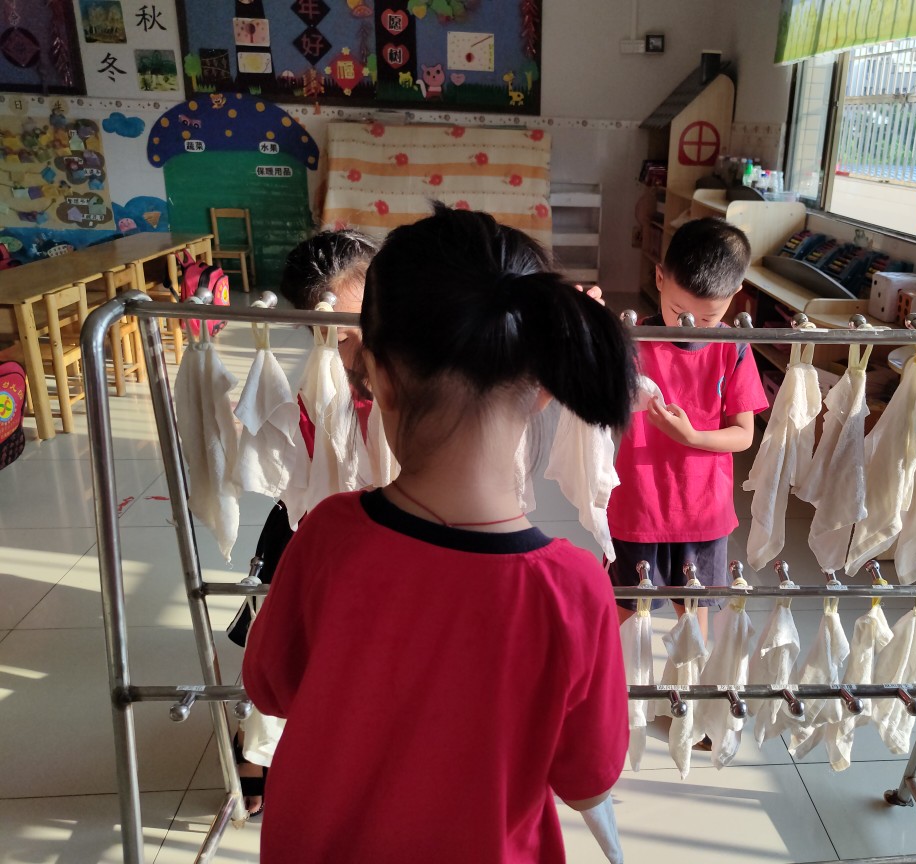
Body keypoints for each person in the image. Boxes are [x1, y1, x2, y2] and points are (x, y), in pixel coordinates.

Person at [242, 204, 637, 862]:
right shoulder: (574, 588)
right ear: (545, 386)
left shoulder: (327, 535)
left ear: (379, 377)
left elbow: (270, 686)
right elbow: (588, 776)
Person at [226, 229, 379, 817]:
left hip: (381, 526)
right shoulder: (317, 379)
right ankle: (255, 747)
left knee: (361, 649)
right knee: (282, 639)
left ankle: (346, 743)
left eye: (355, 326)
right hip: (308, 526)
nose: (347, 345)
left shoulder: (412, 363)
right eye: (329, 333)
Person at [607, 217, 769, 646]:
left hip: (702, 511)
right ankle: (621, 682)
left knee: (693, 612)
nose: (690, 324)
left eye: (708, 316)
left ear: (736, 296)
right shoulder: (634, 339)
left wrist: (693, 438)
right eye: (680, 312)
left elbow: (743, 434)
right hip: (640, 504)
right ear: (660, 279)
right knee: (629, 608)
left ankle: (689, 684)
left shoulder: (732, 347)